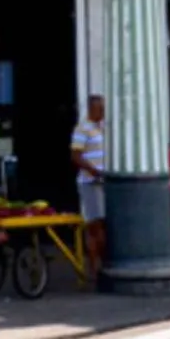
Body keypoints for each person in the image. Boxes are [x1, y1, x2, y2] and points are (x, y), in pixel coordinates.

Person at [71, 95, 106, 280]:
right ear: (92, 109)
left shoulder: (103, 128)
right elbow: (75, 155)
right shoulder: (83, 128)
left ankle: (101, 262)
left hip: (104, 182)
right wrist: (93, 170)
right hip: (90, 182)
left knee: (105, 225)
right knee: (95, 224)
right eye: (100, 109)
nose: (103, 112)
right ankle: (94, 266)